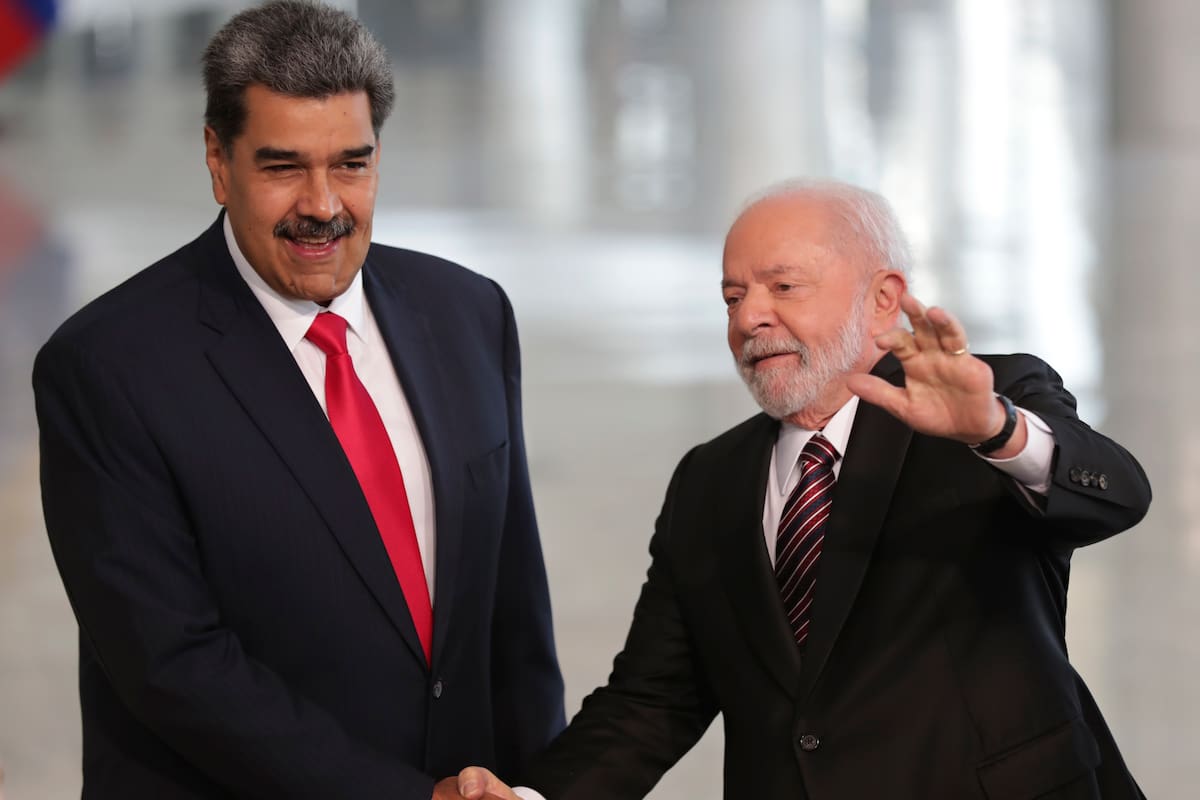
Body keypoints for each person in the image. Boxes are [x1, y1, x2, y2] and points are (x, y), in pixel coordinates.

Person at [455, 180, 1150, 799]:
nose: (748, 318)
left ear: (883, 299)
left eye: (783, 287)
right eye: (733, 297)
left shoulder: (985, 406)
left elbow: (1118, 494)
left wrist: (997, 430)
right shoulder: (710, 480)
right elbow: (653, 698)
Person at [32, 2, 564, 797]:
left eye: (351, 163)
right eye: (283, 167)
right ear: (218, 161)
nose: (322, 205)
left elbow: (514, 616)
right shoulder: (108, 368)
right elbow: (173, 666)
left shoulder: (468, 313)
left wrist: (541, 785)